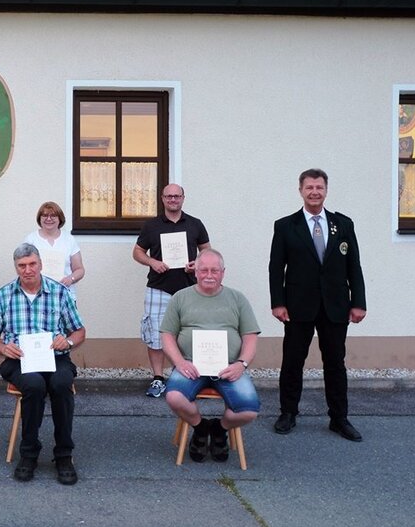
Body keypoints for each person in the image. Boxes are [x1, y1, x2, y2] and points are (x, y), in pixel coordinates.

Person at [269, 168, 367, 442]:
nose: (314, 192)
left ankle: (339, 418)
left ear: (326, 190)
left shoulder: (343, 224)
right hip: (298, 305)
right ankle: (288, 413)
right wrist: (278, 302)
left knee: (335, 363)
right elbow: (276, 268)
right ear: (300, 190)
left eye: (319, 187)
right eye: (309, 187)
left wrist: (358, 302)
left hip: (335, 305)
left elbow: (354, 266)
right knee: (292, 361)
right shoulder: (286, 226)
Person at [0, 243, 85, 485]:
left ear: (40, 264)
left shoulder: (59, 292)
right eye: (22, 266)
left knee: (61, 383)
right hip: (19, 360)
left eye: (32, 264)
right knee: (34, 385)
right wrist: (2, 348)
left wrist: (68, 342)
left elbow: (80, 331)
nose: (28, 270)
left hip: (55, 357)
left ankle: (64, 454)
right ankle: (28, 453)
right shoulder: (4, 294)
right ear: (16, 267)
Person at [160, 249, 260, 463]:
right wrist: (179, 362)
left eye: (215, 270)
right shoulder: (180, 298)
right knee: (174, 397)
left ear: (223, 273)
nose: (209, 275)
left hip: (229, 368)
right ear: (195, 271)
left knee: (248, 411)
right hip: (191, 367)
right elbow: (167, 335)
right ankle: (200, 427)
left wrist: (241, 364)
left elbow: (250, 337)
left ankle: (218, 429)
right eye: (203, 269)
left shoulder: (237, 299)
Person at [132, 183, 210, 398]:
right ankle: (158, 378)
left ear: (183, 198)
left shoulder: (195, 224)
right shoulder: (151, 225)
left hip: (189, 288)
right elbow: (137, 252)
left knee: (189, 333)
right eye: (169, 196)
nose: (173, 200)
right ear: (162, 199)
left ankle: (186, 377)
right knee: (156, 334)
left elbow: (207, 250)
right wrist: (152, 262)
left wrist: (197, 263)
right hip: (158, 287)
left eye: (177, 196)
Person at [23, 201, 85, 294]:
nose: (49, 219)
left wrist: (70, 279)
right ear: (39, 219)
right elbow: (23, 266)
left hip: (64, 294)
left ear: (60, 218)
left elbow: (79, 269)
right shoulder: (31, 239)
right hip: (38, 295)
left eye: (53, 216)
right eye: (44, 215)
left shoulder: (69, 240)